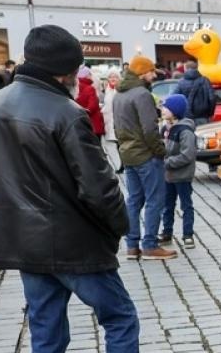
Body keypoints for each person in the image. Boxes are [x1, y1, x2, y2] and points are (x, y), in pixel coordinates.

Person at [0, 24, 179, 353]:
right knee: (120, 319)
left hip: (25, 243)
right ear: (63, 70)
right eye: (75, 67)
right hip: (72, 241)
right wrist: (120, 226)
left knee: (46, 337)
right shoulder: (65, 112)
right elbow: (99, 187)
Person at [111, 54, 174, 260]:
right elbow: (149, 129)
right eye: (151, 71)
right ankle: (150, 245)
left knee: (134, 200)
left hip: (128, 153)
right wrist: (160, 150)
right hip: (146, 155)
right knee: (155, 199)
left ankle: (132, 245)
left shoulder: (119, 94)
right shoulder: (142, 94)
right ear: (141, 73)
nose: (154, 75)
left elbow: (116, 126)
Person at [157, 93, 197, 249]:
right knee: (167, 205)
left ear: (175, 111)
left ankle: (188, 234)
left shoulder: (185, 131)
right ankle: (167, 233)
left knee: (186, 205)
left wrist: (167, 162)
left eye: (166, 108)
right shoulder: (165, 128)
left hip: (182, 175)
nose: (163, 110)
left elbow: (188, 155)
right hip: (168, 176)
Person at [178, 60, 216, 124]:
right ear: (197, 69)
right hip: (203, 116)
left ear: (186, 69)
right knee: (205, 130)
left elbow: (176, 99)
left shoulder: (181, 82)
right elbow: (212, 98)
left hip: (187, 117)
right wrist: (210, 113)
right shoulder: (205, 80)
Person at [75, 66, 104, 137]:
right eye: (90, 74)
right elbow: (93, 106)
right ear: (86, 76)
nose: (91, 76)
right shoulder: (90, 88)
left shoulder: (76, 88)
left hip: (81, 123)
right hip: (93, 123)